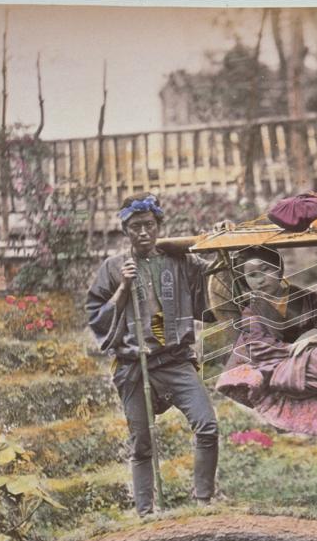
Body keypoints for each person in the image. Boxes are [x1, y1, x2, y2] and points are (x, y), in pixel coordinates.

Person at [85, 192, 229, 516]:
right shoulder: (112, 268)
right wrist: (123, 287)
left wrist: (222, 245)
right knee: (142, 444)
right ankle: (145, 513)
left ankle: (204, 501)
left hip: (175, 360)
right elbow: (97, 319)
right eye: (135, 227)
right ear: (125, 230)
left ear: (158, 225)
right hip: (135, 367)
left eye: (149, 225)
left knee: (207, 426)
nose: (143, 233)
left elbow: (214, 289)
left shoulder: (180, 260)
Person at [220, 245, 317, 402]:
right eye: (252, 275)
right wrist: (295, 350)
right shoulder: (252, 312)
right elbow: (260, 348)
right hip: (285, 362)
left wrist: (314, 335)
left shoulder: (307, 297)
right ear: (245, 281)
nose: (261, 279)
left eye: (266, 269)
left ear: (278, 268)